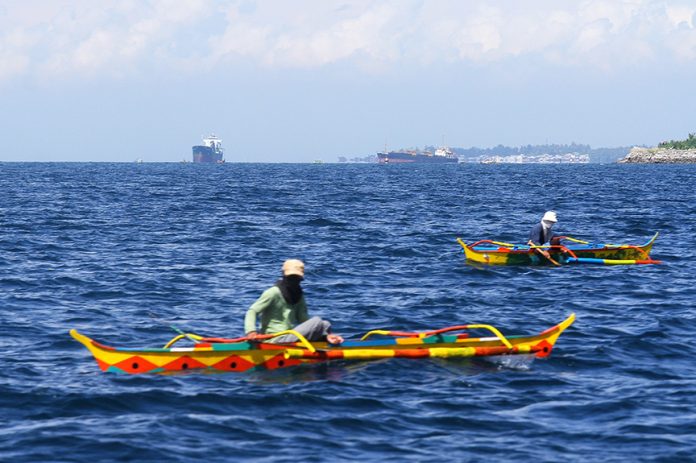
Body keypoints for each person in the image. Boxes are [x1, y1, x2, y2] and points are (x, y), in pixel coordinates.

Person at [244, 259, 344, 344]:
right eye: (291, 278)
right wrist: (251, 332)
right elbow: (252, 311)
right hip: (274, 339)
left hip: (290, 336)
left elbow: (303, 320)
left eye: (296, 278)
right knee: (317, 321)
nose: (293, 281)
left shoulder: (298, 295)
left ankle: (328, 339)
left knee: (325, 323)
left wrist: (325, 334)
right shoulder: (273, 292)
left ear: (300, 278)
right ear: (284, 276)